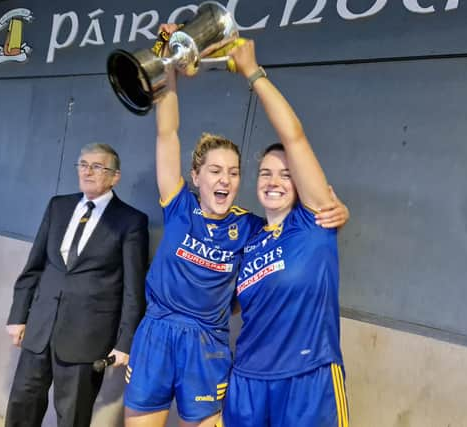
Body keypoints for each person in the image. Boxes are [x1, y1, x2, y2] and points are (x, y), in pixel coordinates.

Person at [123, 25, 349, 427]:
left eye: (233, 172)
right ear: (196, 176)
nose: (225, 179)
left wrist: (335, 210)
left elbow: (297, 154)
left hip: (212, 346)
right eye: (214, 171)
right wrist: (169, 67)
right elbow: (167, 133)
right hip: (160, 334)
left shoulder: (253, 228)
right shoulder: (179, 206)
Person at [221, 41, 350, 426]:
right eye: (265, 173)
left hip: (307, 380)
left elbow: (294, 137)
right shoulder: (249, 236)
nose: (274, 181)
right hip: (247, 381)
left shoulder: (313, 221)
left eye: (286, 174)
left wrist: (253, 73)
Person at [4, 143, 149, 427]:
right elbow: (34, 265)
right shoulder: (58, 206)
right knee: (23, 401)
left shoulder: (130, 221)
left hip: (87, 337)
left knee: (72, 415)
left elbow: (134, 288)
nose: (88, 171)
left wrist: (125, 341)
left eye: (98, 166)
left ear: (115, 176)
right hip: (40, 327)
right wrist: (19, 315)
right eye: (83, 165)